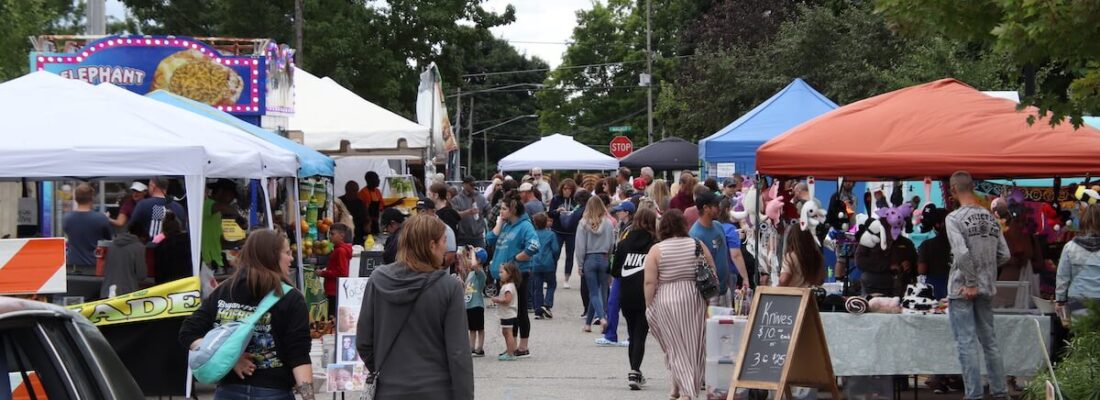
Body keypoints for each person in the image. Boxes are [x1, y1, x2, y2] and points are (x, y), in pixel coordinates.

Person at [179, 229, 315, 399]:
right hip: (273, 392)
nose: (291, 258)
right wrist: (309, 397)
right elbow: (298, 355)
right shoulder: (291, 298)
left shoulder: (224, 290)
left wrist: (230, 359)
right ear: (271, 256)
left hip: (228, 391)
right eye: (287, 253)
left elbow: (188, 332)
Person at [355, 215, 474, 398]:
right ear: (432, 245)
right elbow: (458, 353)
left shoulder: (378, 280)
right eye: (444, 241)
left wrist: (384, 369)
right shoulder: (448, 287)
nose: (447, 247)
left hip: (389, 390)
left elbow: (364, 342)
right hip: (436, 390)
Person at [945, 171, 1010, 400]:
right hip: (986, 287)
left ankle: (974, 395)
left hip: (963, 288)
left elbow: (961, 252)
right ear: (972, 187)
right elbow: (1005, 254)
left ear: (953, 190)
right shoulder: (991, 217)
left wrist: (971, 281)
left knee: (967, 343)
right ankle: (1000, 392)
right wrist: (986, 273)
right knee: (990, 342)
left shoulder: (954, 218)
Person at [645, 210, 714, 400]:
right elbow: (711, 269)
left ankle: (684, 391)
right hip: (694, 298)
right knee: (693, 345)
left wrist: (649, 305)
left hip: (666, 298)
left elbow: (650, 282)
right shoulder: (697, 244)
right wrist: (707, 297)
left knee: (674, 345)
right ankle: (682, 388)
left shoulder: (657, 250)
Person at [485, 192, 540, 358]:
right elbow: (489, 239)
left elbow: (534, 245)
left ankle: (523, 347)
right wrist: (499, 223)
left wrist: (517, 258)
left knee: (520, 310)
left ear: (513, 209)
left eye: (503, 209)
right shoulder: (506, 225)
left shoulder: (525, 226)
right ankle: (512, 346)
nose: (500, 211)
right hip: (506, 276)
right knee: (511, 311)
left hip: (519, 274)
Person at [610, 207, 657, 390]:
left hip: (627, 295)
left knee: (632, 333)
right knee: (640, 334)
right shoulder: (655, 244)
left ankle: (634, 370)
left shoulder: (623, 244)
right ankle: (635, 370)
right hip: (647, 294)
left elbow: (615, 271)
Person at [597, 200, 636, 347]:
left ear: (627, 212)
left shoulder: (631, 229)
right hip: (620, 269)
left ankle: (629, 336)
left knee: (627, 305)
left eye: (620, 210)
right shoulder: (621, 227)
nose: (617, 212)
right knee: (613, 302)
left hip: (627, 269)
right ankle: (611, 334)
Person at [576, 195, 615, 332]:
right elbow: (612, 244)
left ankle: (602, 318)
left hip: (589, 258)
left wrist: (580, 264)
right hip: (604, 257)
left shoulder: (583, 223)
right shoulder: (609, 223)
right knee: (602, 290)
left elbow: (580, 246)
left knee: (593, 292)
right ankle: (588, 324)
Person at [1056, 203, 1100, 319]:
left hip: (1077, 302)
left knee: (1079, 335)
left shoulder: (1070, 247)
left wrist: (1060, 301)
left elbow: (1062, 278)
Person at [690, 192, 731, 305]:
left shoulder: (718, 226)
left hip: (724, 289)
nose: (719, 208)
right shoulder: (696, 234)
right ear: (706, 208)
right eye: (716, 205)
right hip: (711, 295)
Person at [64, 183, 113, 274]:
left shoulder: (67, 218)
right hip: (95, 265)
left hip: (73, 266)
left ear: (76, 198)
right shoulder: (101, 219)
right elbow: (108, 241)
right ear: (92, 198)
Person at [130, 176, 187, 241]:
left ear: (153, 186)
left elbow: (132, 226)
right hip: (173, 247)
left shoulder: (143, 204)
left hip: (151, 247)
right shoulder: (178, 207)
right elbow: (183, 229)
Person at [100, 222, 148, 298]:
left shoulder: (112, 245)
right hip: (127, 293)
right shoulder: (139, 247)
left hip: (107, 291)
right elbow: (141, 275)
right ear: (141, 236)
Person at [316, 223, 353, 318]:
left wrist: (323, 273)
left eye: (332, 234)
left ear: (341, 235)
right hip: (335, 290)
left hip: (335, 290)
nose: (329, 236)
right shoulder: (338, 250)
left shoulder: (340, 251)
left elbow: (342, 273)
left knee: (333, 318)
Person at [549, 179, 579, 289]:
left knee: (570, 255)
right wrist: (557, 211)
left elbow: (580, 213)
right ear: (562, 189)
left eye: (569, 189)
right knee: (554, 253)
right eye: (565, 188)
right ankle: (551, 278)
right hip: (557, 230)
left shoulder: (576, 200)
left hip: (571, 231)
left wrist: (573, 213)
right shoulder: (556, 199)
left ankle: (566, 279)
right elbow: (550, 213)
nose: (567, 191)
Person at [717, 198, 751, 289]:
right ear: (728, 210)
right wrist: (745, 278)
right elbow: (736, 256)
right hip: (729, 273)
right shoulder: (730, 229)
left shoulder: (712, 227)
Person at [531, 213, 560, 320]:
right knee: (551, 284)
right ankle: (547, 304)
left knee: (537, 287)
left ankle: (538, 309)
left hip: (536, 263)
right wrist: (553, 258)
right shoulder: (551, 234)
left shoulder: (533, 234)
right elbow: (556, 249)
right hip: (548, 264)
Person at [492, 262, 522, 361]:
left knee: (508, 333)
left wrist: (497, 300)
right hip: (507, 314)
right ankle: (510, 349)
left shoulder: (508, 287)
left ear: (509, 274)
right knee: (506, 332)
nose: (500, 274)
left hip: (508, 314)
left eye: (502, 272)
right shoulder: (508, 285)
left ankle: (510, 353)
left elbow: (507, 300)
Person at [153, 212, 192, 284]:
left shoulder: (161, 247)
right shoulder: (190, 242)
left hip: (169, 285)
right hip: (189, 282)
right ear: (179, 227)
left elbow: (159, 272)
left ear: (164, 231)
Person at [452, 176, 489, 248]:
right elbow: (455, 215)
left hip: (478, 237)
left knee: (481, 257)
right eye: (471, 185)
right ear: (464, 185)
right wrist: (468, 212)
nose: (473, 187)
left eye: (474, 185)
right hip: (463, 237)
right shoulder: (456, 199)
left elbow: (489, 210)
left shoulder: (481, 197)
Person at [464, 248, 488, 357]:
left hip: (477, 305)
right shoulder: (471, 274)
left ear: (478, 260)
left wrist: (473, 252)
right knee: (472, 329)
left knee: (480, 328)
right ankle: (471, 348)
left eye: (472, 257)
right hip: (468, 305)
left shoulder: (480, 273)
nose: (470, 259)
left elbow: (474, 265)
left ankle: (480, 348)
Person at [339, 181, 368, 246]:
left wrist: (367, 224)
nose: (356, 193)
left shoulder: (360, 203)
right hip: (343, 233)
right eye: (353, 191)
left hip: (358, 235)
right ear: (347, 190)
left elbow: (366, 218)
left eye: (356, 191)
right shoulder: (340, 201)